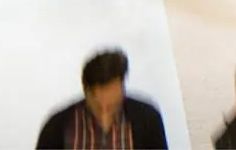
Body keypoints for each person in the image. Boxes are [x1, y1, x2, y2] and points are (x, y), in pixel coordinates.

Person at [36, 48, 170, 149]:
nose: (104, 114)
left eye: (112, 107)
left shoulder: (148, 120)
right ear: (86, 92)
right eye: (98, 107)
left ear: (122, 89)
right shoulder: (58, 126)